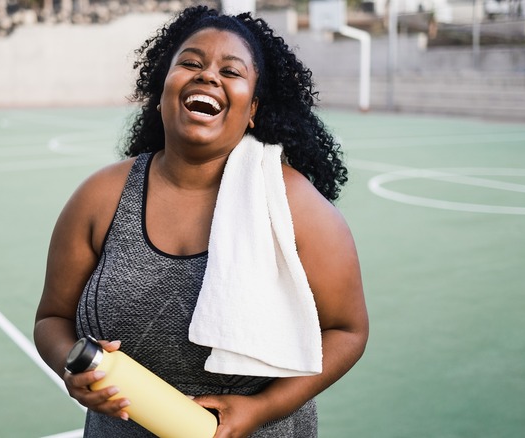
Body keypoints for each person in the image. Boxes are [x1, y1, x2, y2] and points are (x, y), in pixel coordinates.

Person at [33, 6, 369, 437]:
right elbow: (51, 319)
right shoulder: (100, 198)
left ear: (253, 109)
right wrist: (72, 366)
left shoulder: (293, 204)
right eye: (190, 63)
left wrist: (261, 408)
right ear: (161, 90)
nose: (208, 76)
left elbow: (348, 330)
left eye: (231, 71)